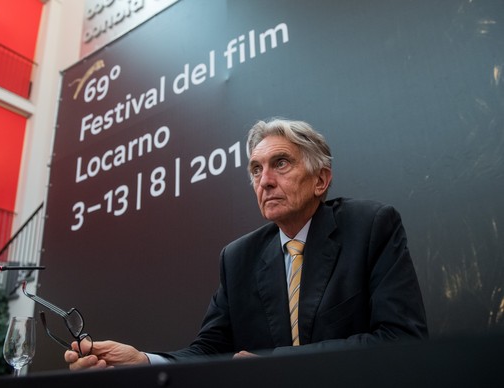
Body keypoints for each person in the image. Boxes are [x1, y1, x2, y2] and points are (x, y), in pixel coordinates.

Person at [66, 118, 428, 370]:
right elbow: (211, 350)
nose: (265, 181)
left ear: (321, 180)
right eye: (256, 170)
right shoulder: (238, 258)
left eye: (280, 164)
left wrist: (275, 363)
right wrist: (143, 361)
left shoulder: (371, 226)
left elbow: (400, 337)